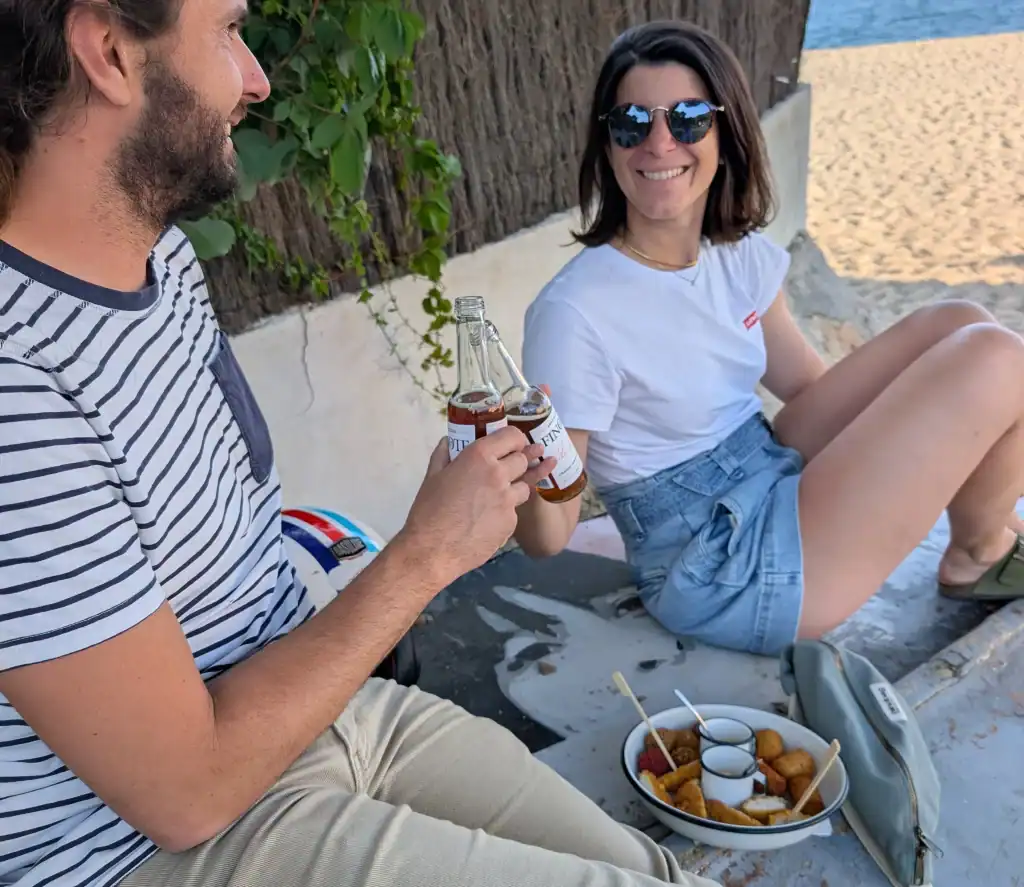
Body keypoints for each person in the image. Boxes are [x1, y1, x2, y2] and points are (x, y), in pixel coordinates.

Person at [0, 5, 721, 887]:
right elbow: (183, 792)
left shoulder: (161, 262)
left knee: (656, 871)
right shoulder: (17, 383)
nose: (258, 80)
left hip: (320, 715)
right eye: (227, 31)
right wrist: (426, 553)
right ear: (108, 53)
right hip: (144, 848)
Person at [515, 20, 1024, 658]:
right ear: (608, 143)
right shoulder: (575, 311)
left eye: (690, 118)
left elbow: (813, 391)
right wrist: (521, 469)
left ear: (725, 135)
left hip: (764, 463)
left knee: (959, 322)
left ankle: (990, 534)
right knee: (1000, 359)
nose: (660, 142)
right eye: (632, 123)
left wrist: (914, 439)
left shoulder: (734, 255)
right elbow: (549, 535)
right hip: (714, 562)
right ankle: (984, 551)